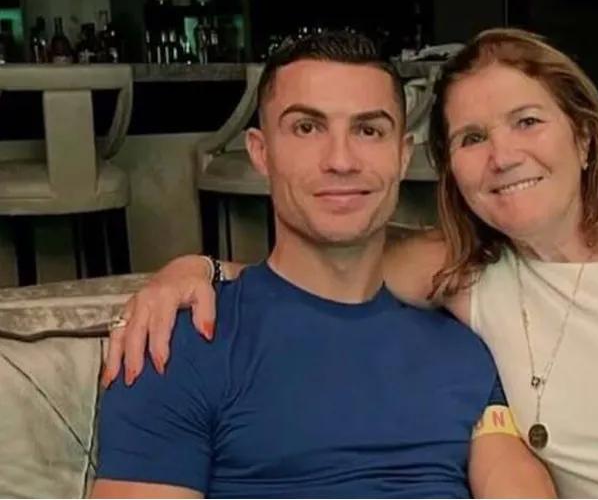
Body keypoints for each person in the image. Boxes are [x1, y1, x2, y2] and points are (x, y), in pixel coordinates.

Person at [104, 28, 598, 498]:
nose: (503, 156)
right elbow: (319, 264)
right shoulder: (464, 275)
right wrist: (194, 271)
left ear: (583, 134)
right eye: (473, 138)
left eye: (527, 122)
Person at [90, 31, 555, 499]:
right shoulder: (178, 340)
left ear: (401, 155)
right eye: (307, 128)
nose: (341, 160)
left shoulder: (462, 345)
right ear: (261, 152)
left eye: (368, 130)